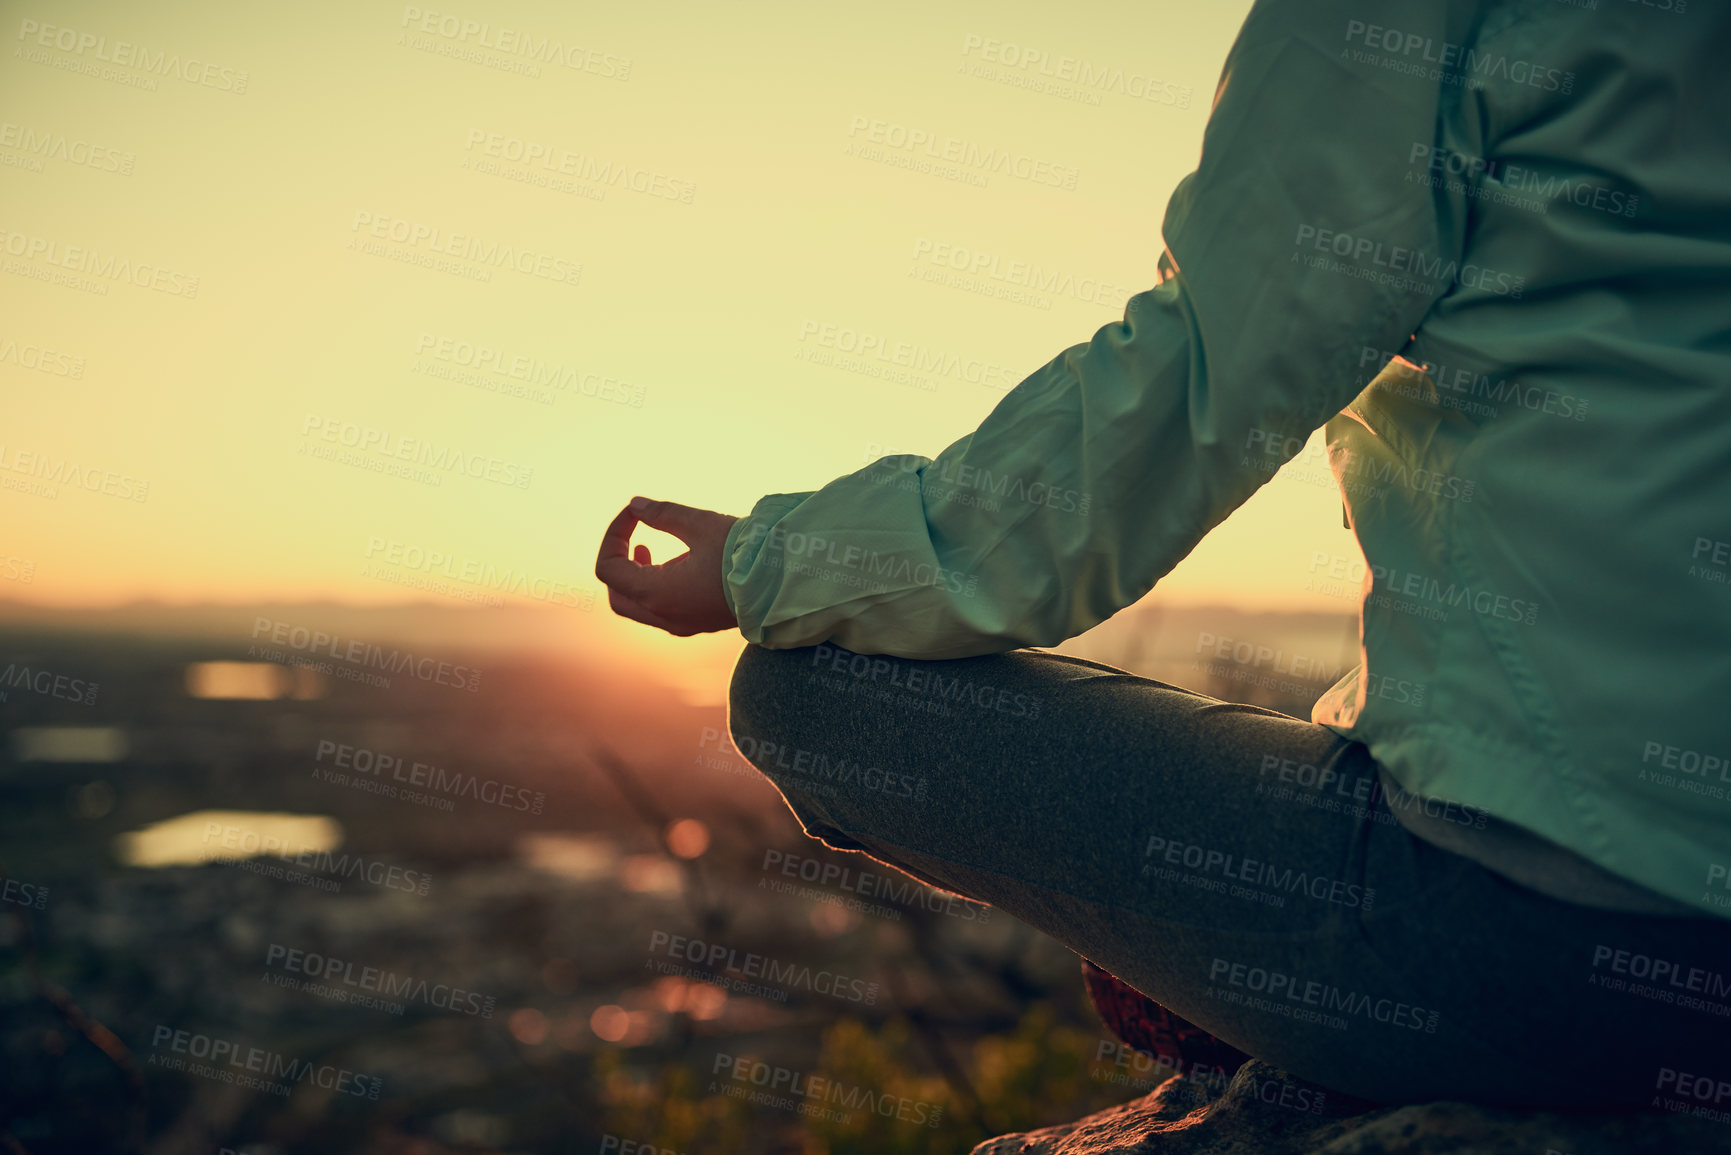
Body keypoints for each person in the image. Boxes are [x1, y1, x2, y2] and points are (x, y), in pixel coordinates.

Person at [595, 0, 1731, 1110]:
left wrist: (768, 562)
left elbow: (1200, 377)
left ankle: (1298, 992)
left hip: (1558, 933)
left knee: (808, 693)